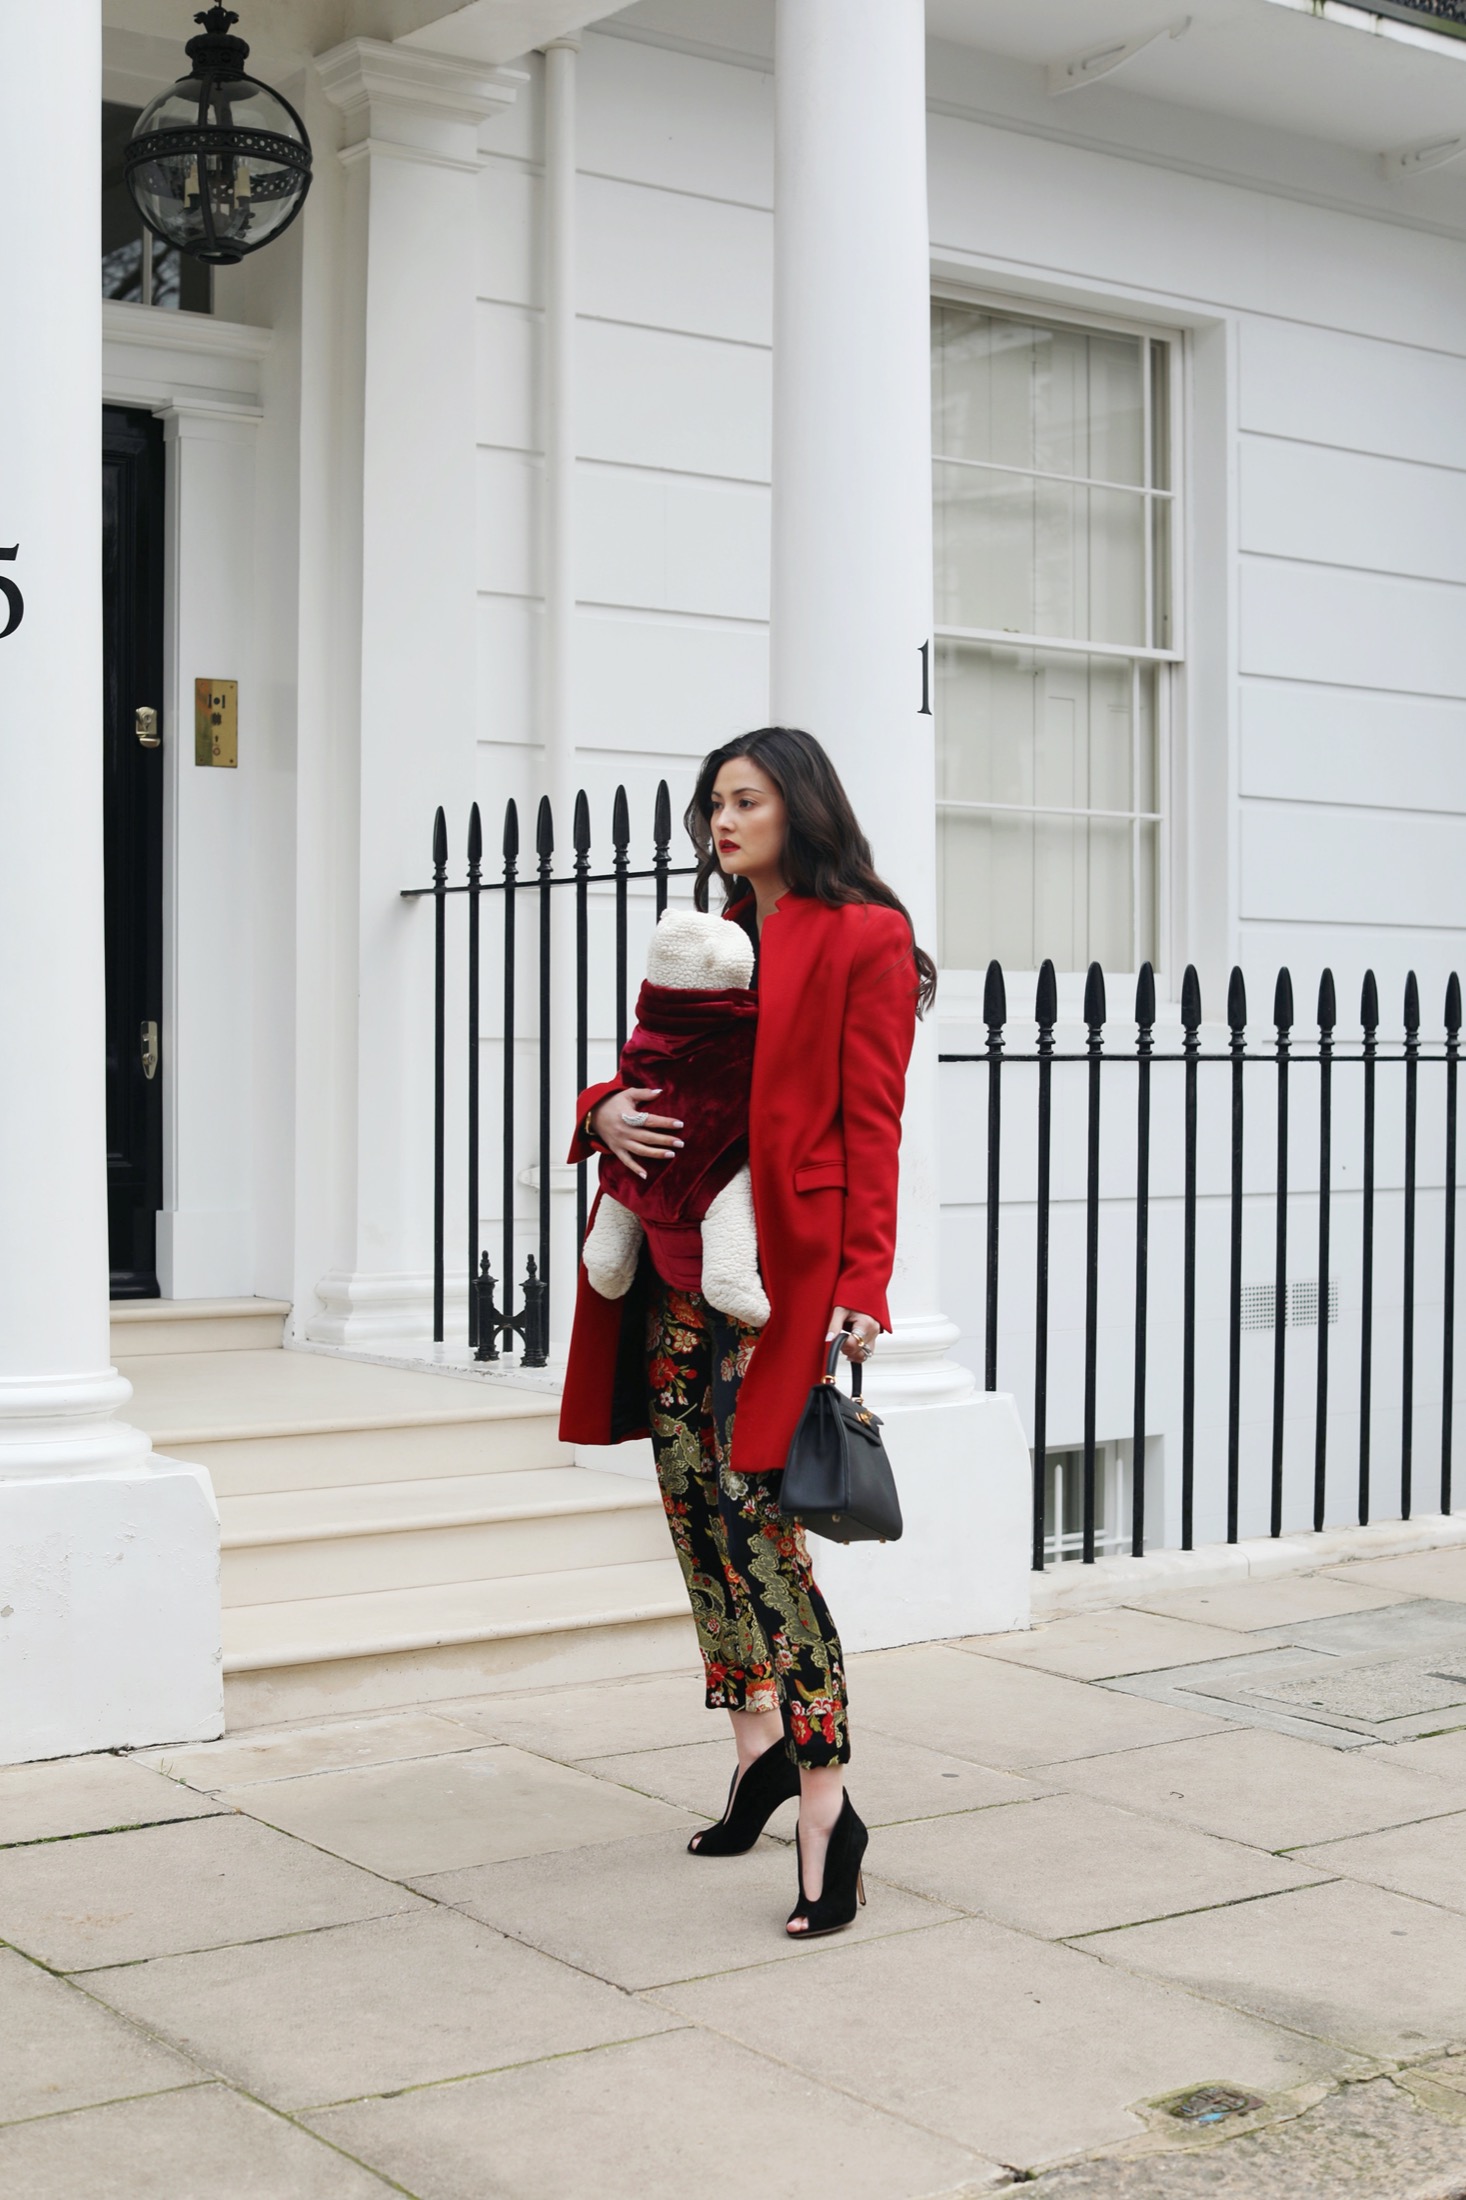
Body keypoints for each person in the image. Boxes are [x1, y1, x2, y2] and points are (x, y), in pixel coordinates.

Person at [559, 726, 937, 1937]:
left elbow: (870, 1120)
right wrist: (600, 1111)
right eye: (713, 801)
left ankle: (827, 1801)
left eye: (746, 800)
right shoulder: (709, 928)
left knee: (764, 1527)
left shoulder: (863, 935)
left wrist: (863, 1285)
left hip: (780, 1277)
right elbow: (651, 1064)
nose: (722, 820)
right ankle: (752, 1744)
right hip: (674, 1269)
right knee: (691, 1512)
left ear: (800, 807)